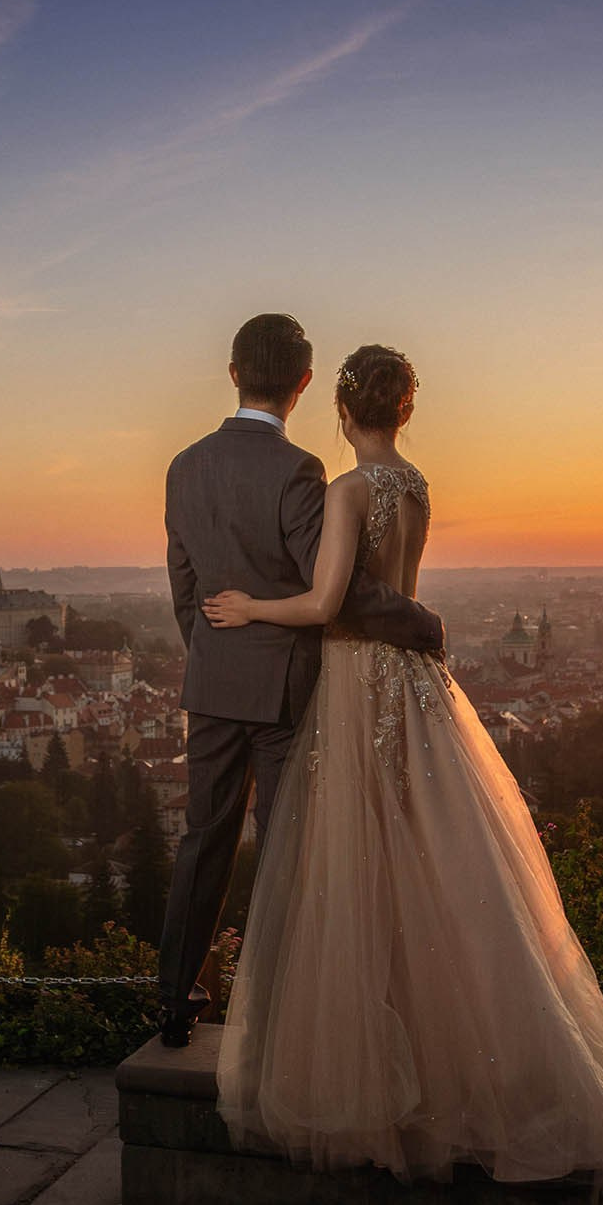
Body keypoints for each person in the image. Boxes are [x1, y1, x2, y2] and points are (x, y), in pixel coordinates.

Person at [201, 345, 603, 1184]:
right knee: (436, 859)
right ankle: (472, 1061)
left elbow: (325, 603)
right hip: (415, 683)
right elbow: (401, 591)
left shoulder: (347, 490)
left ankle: (378, 1073)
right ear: (403, 412)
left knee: (359, 864)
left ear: (343, 413)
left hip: (355, 682)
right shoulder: (415, 487)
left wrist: (246, 608)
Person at [157, 314, 444, 1050]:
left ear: (231, 372)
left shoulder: (184, 466)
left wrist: (219, 655)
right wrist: (421, 623)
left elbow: (185, 591)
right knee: (283, 844)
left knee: (202, 839)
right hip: (288, 687)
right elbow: (339, 592)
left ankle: (173, 996)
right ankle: (276, 1006)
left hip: (214, 680)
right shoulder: (299, 471)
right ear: (304, 383)